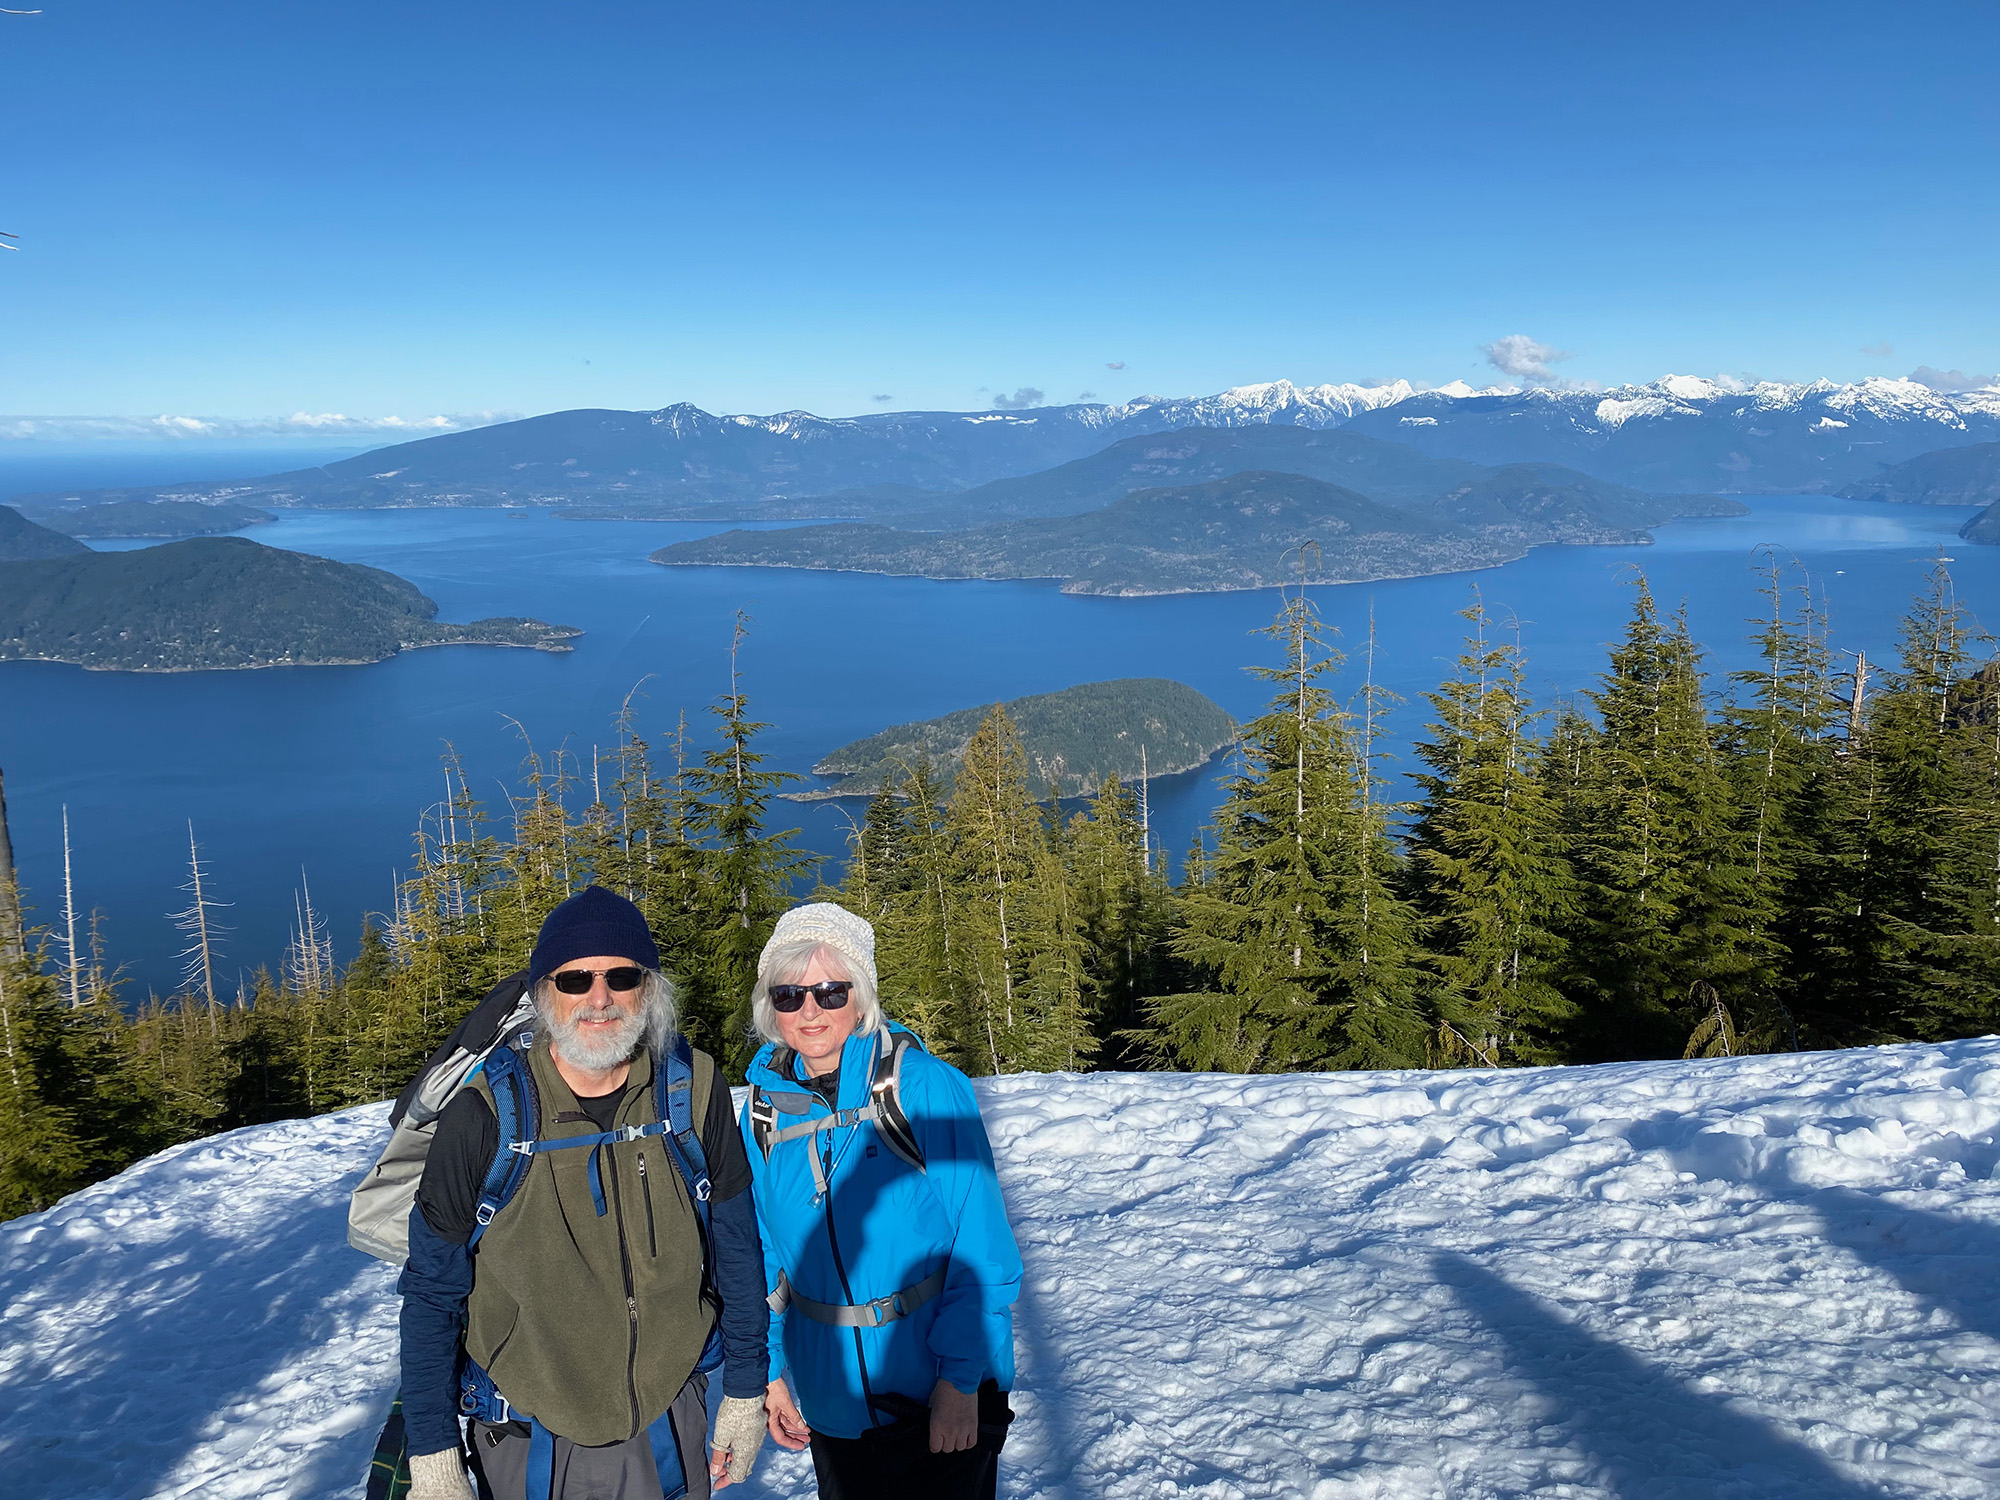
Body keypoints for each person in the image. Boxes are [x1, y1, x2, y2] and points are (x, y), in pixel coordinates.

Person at [398, 885, 773, 1500]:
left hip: (672, 1413)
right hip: (529, 1433)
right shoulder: (487, 1114)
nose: (599, 999)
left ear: (647, 990)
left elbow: (737, 1250)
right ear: (544, 994)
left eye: (620, 977)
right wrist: (435, 1454)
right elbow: (431, 1291)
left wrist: (746, 1390)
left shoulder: (691, 1090)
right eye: (574, 980)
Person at [740, 902, 1023, 1500]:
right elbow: (764, 1258)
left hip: (935, 1393)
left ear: (861, 995)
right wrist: (768, 1374)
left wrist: (960, 1381)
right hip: (831, 1399)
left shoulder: (920, 1086)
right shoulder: (762, 1113)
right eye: (789, 995)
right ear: (772, 1008)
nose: (810, 1010)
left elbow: (982, 1247)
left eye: (830, 991)